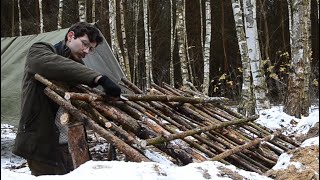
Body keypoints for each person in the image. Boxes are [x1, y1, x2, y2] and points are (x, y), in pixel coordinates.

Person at [12, 22, 121, 176]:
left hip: (68, 143)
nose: (86, 51)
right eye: (85, 44)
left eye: (91, 49)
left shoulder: (77, 67)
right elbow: (52, 64)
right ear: (70, 36)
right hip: (41, 142)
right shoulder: (40, 50)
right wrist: (98, 78)